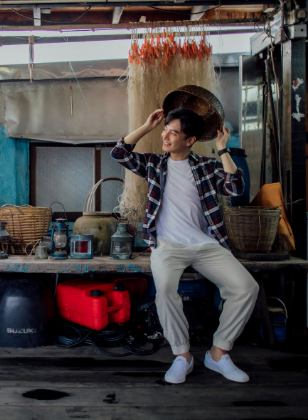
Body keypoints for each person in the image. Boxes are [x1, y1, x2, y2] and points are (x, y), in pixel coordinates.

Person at [111, 108, 259, 384]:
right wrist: (147, 126)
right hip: (167, 246)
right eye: (165, 130)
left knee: (246, 287)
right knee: (165, 291)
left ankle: (218, 353)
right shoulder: (155, 164)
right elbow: (119, 153)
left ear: (190, 140)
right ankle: (182, 356)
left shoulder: (206, 166)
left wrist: (222, 149)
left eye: (174, 132)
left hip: (206, 244)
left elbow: (235, 187)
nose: (165, 136)